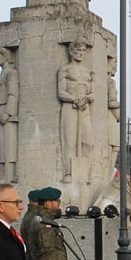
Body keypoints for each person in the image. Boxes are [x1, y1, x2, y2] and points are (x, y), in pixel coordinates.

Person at [57, 38, 95, 182]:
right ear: (71, 52)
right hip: (70, 107)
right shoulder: (64, 70)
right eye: (77, 50)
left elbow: (93, 93)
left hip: (84, 108)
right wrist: (74, 99)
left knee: (88, 142)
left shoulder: (88, 72)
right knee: (69, 141)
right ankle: (69, 172)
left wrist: (85, 99)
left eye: (83, 51)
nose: (80, 53)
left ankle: (87, 171)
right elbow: (61, 92)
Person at [0, 46, 20, 183]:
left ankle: (9, 176)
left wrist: (8, 112)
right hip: (0, 108)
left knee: (8, 145)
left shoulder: (11, 73)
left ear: (6, 55)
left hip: (7, 112)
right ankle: (4, 174)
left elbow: (13, 93)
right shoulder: (2, 73)